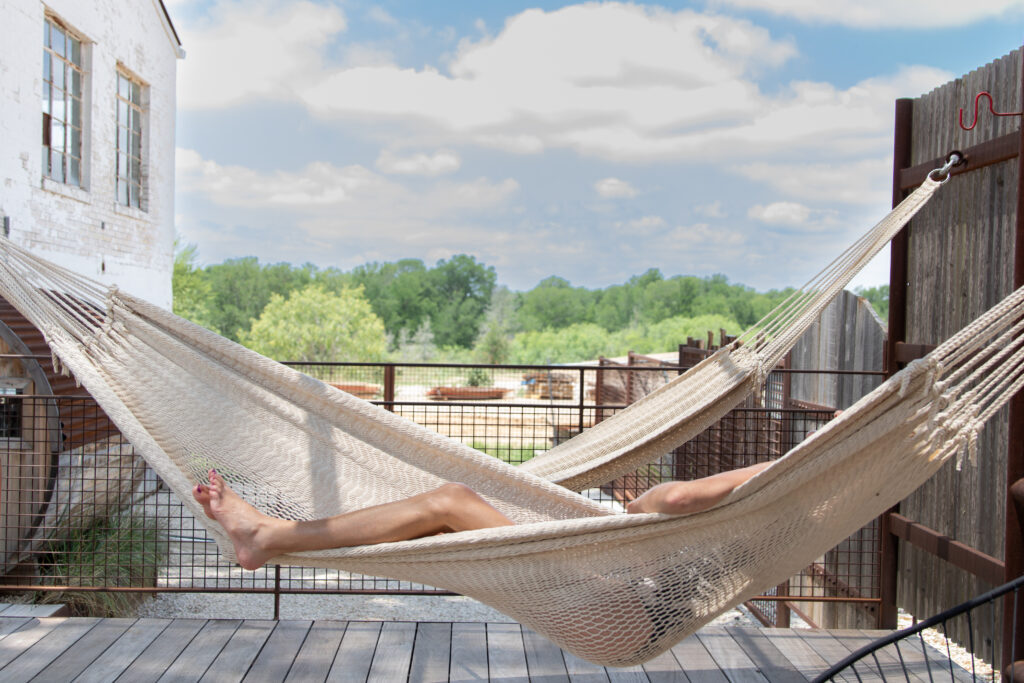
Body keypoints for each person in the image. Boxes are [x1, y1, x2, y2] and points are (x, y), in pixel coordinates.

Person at [193, 461, 772, 571]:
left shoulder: (667, 506)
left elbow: (678, 500)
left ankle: (266, 534)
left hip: (606, 593)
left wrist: (790, 461)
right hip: (596, 581)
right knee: (440, 511)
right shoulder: (713, 530)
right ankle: (267, 535)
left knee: (449, 501)